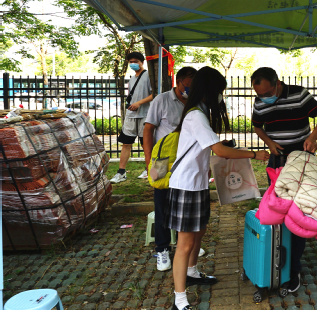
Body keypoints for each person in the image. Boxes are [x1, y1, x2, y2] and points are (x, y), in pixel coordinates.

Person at [166, 66, 269, 310]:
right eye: (220, 91)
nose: (221, 96)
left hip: (197, 184)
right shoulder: (196, 115)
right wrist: (254, 154)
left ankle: (191, 272)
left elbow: (210, 146)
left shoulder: (200, 112)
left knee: (199, 232)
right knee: (185, 243)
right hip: (186, 186)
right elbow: (220, 151)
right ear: (210, 90)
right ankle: (179, 300)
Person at [251, 67, 317, 292]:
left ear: (277, 83)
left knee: (298, 213)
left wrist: (313, 137)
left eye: (268, 93)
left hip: (302, 162)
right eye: (260, 95)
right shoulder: (259, 102)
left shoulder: (299, 94)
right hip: (277, 162)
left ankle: (293, 268)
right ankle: (277, 258)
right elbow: (257, 126)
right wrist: (269, 143)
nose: (264, 98)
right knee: (277, 211)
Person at [142, 66, 196, 272]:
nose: (189, 89)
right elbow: (148, 129)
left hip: (188, 161)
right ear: (178, 82)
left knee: (186, 205)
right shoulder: (162, 100)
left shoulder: (195, 101)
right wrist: (149, 160)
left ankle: (186, 245)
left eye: (193, 86)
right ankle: (162, 248)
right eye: (187, 85)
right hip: (163, 161)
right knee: (162, 204)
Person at [110, 52, 153, 183]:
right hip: (131, 116)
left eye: (135, 61)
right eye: (131, 62)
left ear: (142, 62)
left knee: (146, 145)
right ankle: (121, 172)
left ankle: (148, 170)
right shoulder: (132, 79)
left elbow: (154, 94)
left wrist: (139, 103)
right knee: (126, 143)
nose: (133, 64)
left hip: (145, 115)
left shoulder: (148, 76)